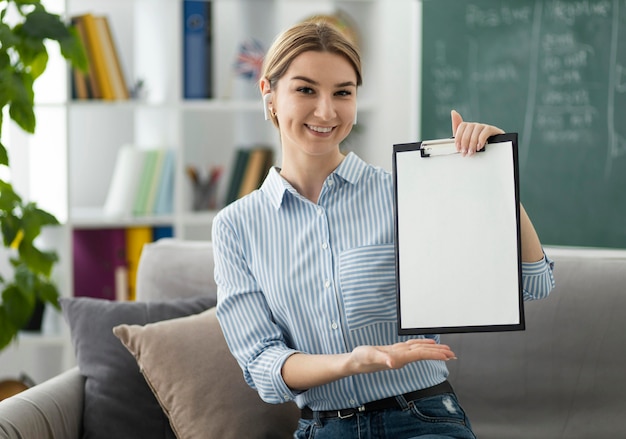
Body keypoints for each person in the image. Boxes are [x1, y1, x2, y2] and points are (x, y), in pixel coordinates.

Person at [213, 19, 555, 439]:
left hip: (422, 417)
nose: (326, 111)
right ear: (269, 94)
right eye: (305, 90)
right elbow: (263, 368)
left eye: (343, 92)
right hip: (324, 428)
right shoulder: (235, 227)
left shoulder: (407, 192)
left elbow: (533, 283)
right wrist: (353, 362)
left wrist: (498, 177)